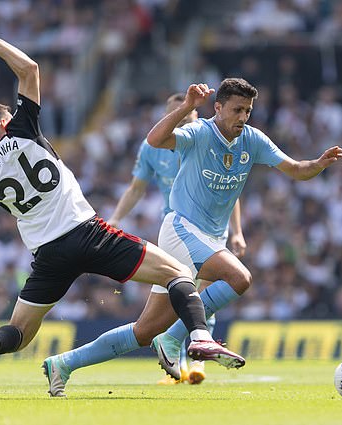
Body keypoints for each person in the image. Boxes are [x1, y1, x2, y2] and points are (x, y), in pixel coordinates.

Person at [0, 29, 245, 396]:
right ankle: (198, 336)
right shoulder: (22, 129)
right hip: (89, 232)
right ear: (2, 123)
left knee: (19, 331)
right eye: (9, 115)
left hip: (48, 256)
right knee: (177, 273)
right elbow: (29, 68)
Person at [43, 78, 342, 388]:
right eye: (237, 110)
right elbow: (155, 139)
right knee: (239, 278)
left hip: (208, 238)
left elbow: (296, 169)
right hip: (181, 229)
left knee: (144, 331)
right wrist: (187, 107)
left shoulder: (252, 140)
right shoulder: (200, 132)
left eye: (248, 111)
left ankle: (63, 364)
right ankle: (178, 341)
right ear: (217, 108)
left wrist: (318, 164)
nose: (243, 117)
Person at [107, 93, 247, 385]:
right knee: (179, 295)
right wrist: (117, 217)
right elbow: (135, 188)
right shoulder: (153, 148)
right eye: (179, 118)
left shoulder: (208, 141)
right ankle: (181, 361)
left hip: (209, 228)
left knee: (201, 292)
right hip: (174, 228)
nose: (184, 122)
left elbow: (229, 191)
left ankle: (196, 362)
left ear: (198, 117)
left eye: (189, 118)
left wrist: (238, 231)